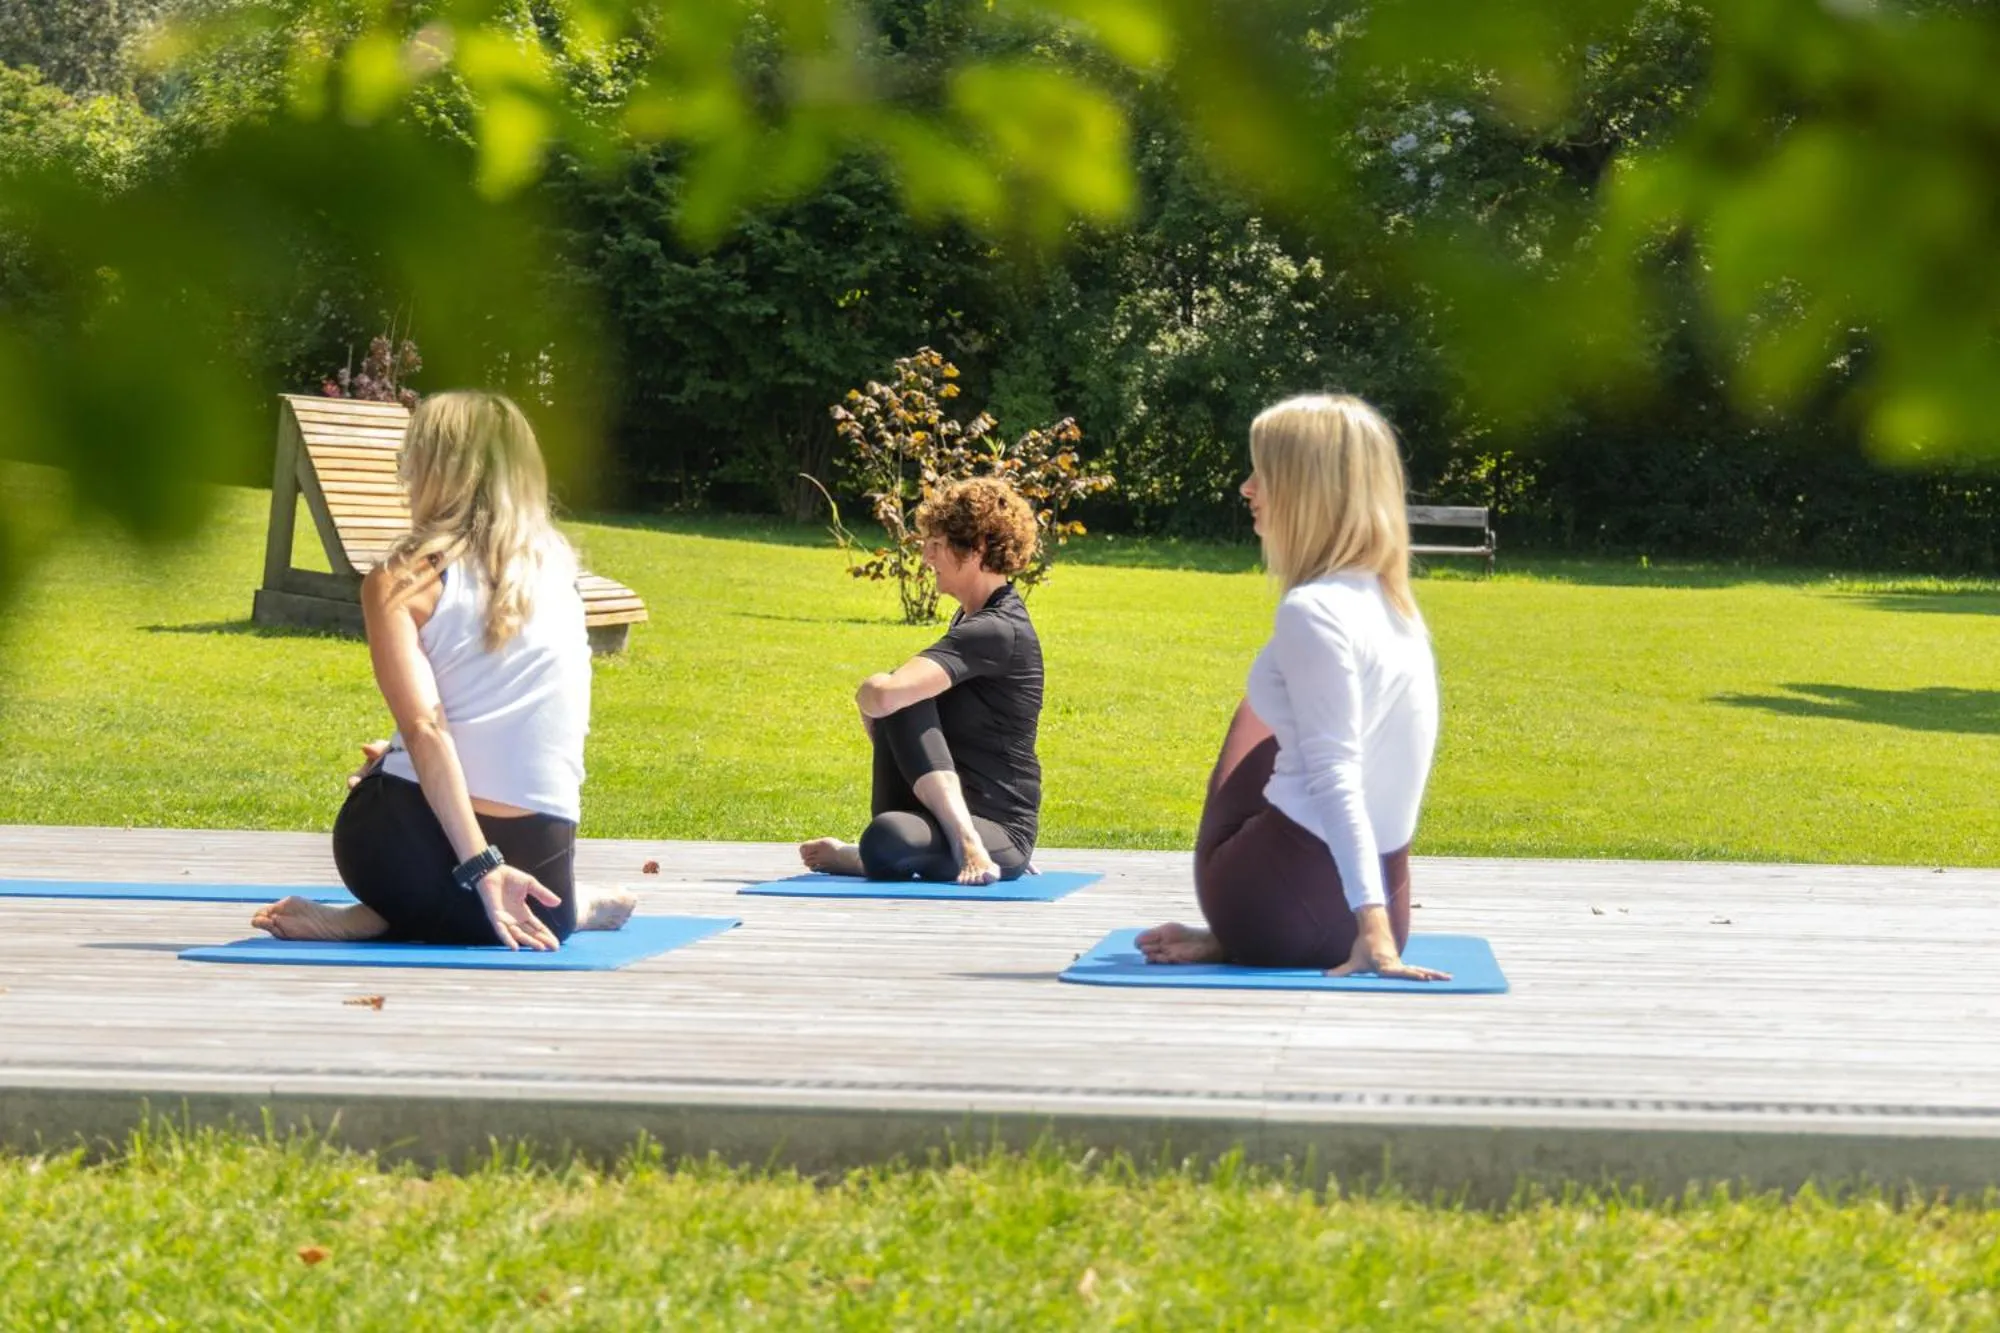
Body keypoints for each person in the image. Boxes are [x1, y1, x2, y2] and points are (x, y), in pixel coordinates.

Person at [251, 390, 632, 949]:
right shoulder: (559, 569)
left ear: (430, 469)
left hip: (407, 852)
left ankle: (380, 914)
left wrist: (483, 869)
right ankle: (572, 900)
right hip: (542, 875)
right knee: (546, 917)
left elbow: (427, 729)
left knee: (391, 767)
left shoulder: (403, 580)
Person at [1138, 394, 1449, 981]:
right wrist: (1381, 924)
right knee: (1300, 704)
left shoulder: (1312, 610)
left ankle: (1237, 937)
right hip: (1381, 898)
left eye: (1263, 473)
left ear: (1306, 489)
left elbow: (1336, 774)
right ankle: (1241, 939)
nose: (1246, 488)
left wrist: (1372, 934)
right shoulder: (1396, 607)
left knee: (1261, 705)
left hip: (1271, 906)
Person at [799, 476, 1045, 884]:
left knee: (886, 839)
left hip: (999, 826)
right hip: (941, 811)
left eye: (937, 546)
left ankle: (970, 845)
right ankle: (955, 842)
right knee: (903, 696)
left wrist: (872, 688)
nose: (927, 559)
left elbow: (881, 697)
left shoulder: (997, 629)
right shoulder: (973, 617)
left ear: (977, 548)